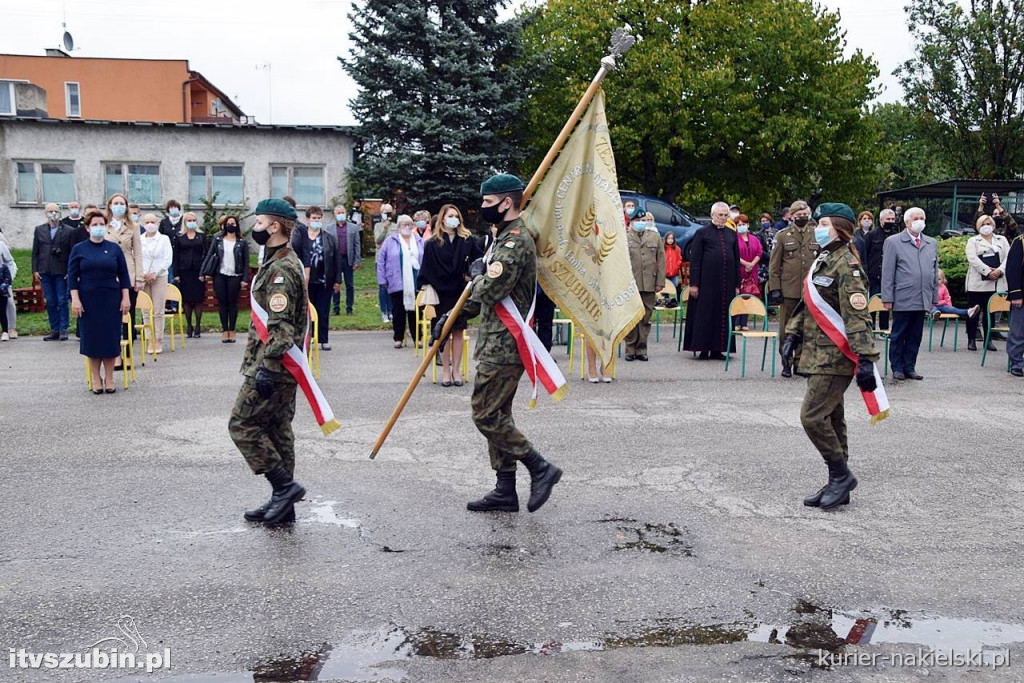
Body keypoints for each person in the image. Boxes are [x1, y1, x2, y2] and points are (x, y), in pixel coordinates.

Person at [431, 173, 562, 514]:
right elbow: (480, 298)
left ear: (506, 203)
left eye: (488, 202)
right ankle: (505, 489)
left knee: (485, 414)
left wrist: (476, 275)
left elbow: (489, 289)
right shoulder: (502, 238)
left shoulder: (515, 241)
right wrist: (452, 318)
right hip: (494, 340)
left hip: (507, 343)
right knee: (498, 413)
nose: (481, 208)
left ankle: (540, 467)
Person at [781, 203, 879, 510]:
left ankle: (841, 475)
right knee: (833, 418)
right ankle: (838, 483)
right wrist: (793, 334)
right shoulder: (824, 260)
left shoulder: (847, 265)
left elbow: (858, 316)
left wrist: (865, 358)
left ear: (839, 227)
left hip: (835, 356)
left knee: (811, 416)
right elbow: (807, 306)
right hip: (816, 352)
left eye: (822, 223)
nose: (816, 227)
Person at [229, 198, 308, 527]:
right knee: (277, 430)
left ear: (274, 227)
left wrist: (266, 367)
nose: (255, 228)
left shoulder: (281, 269)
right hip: (281, 366)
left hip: (273, 366)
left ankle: (284, 488)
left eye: (260, 223)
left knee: (242, 425)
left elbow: (281, 328)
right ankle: (283, 505)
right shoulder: (278, 259)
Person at [68, 210, 132, 394]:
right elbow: (72, 276)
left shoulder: (114, 248)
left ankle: (110, 378)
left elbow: (123, 275)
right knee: (92, 340)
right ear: (87, 228)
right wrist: (75, 300)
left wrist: (125, 297)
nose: (98, 228)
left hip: (111, 298)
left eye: (101, 225)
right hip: (88, 299)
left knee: (110, 340)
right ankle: (96, 378)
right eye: (94, 225)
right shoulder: (79, 249)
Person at [418, 205, 481, 385]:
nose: (454, 219)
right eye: (450, 216)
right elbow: (426, 269)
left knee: (458, 331)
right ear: (442, 219)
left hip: (460, 291)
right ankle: (445, 371)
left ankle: (456, 372)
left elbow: (479, 260)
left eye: (457, 216)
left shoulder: (467, 240)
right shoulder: (432, 243)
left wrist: (471, 274)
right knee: (443, 333)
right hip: (440, 292)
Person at [881, 206, 939, 381]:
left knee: (915, 335)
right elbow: (888, 272)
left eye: (922, 217)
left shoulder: (931, 243)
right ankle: (897, 367)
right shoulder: (893, 241)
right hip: (903, 296)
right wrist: (887, 297)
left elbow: (934, 272)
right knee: (899, 334)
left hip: (923, 296)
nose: (919, 221)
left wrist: (934, 297)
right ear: (907, 222)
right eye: (915, 218)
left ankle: (910, 366)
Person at [768, 200, 819, 376]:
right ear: (791, 216)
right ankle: (786, 361)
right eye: (799, 215)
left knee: (807, 328)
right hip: (788, 289)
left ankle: (801, 363)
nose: (802, 218)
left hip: (809, 290)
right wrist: (775, 288)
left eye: (805, 215)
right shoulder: (782, 236)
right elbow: (774, 265)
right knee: (787, 328)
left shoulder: (816, 234)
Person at [683, 202, 740, 360]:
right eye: (720, 215)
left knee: (723, 315)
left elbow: (736, 260)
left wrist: (737, 284)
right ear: (712, 215)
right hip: (706, 283)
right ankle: (703, 348)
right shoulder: (702, 233)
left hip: (727, 283)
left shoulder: (731, 233)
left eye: (725, 215)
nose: (722, 218)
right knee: (705, 314)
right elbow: (695, 260)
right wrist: (694, 284)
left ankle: (719, 349)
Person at [292, 206, 342, 351]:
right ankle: (309, 337)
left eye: (319, 218)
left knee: (323, 310)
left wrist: (337, 280)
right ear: (307, 220)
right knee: (306, 310)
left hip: (324, 280)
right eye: (314, 218)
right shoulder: (301, 237)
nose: (316, 220)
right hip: (306, 281)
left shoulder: (328, 238)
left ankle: (323, 338)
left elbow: (336, 260)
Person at [104, 193, 143, 361]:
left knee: (128, 314)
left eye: (122, 203)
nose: (119, 206)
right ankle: (114, 353)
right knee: (111, 315)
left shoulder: (133, 226)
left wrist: (139, 277)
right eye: (115, 203)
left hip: (129, 272)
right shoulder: (103, 225)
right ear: (110, 205)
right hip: (108, 273)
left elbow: (138, 253)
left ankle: (127, 354)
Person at [965, 214, 1010, 351]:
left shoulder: (1001, 240)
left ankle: (988, 340)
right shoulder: (973, 240)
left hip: (996, 282)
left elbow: (1008, 257)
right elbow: (972, 258)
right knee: (974, 313)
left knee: (990, 313)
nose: (986, 226)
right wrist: (987, 271)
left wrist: (999, 271)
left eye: (989, 223)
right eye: (983, 224)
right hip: (978, 283)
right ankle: (971, 339)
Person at [624, 212, 666, 361]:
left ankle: (642, 348)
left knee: (645, 317)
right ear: (632, 221)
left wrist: (660, 281)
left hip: (649, 282)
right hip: (631, 284)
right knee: (631, 318)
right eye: (638, 220)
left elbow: (661, 259)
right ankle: (630, 348)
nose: (642, 222)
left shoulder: (654, 236)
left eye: (644, 220)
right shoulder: (625, 237)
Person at [377, 214, 423, 348]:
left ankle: (417, 338)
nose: (407, 227)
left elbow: (426, 260)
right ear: (398, 227)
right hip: (396, 281)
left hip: (416, 281)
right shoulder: (390, 241)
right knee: (398, 311)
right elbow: (381, 261)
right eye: (404, 224)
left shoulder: (419, 241)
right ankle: (398, 338)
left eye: (409, 224)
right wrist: (382, 279)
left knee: (416, 311)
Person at [202, 214, 249, 343]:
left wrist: (244, 279)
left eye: (233, 223)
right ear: (224, 225)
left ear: (237, 226)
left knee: (232, 304)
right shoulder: (217, 239)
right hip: (220, 275)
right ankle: (224, 330)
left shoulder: (242, 242)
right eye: (229, 223)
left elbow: (246, 262)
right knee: (222, 303)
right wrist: (203, 272)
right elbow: (209, 255)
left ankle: (232, 330)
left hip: (235, 276)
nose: (231, 226)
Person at [32, 203, 73, 341]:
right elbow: (35, 252)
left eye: (55, 211)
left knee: (62, 300)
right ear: (45, 213)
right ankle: (54, 328)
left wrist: (70, 270)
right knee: (50, 301)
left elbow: (72, 253)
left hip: (61, 270)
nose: (53, 213)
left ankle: (63, 328)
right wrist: (35, 269)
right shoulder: (39, 230)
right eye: (50, 211)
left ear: (60, 212)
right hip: (45, 269)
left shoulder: (68, 230)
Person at [139, 213, 173, 354]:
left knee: (158, 310)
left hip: (159, 276)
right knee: (146, 311)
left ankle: (158, 339)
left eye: (152, 221)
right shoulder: (140, 239)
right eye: (147, 222)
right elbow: (137, 257)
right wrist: (143, 274)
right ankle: (149, 339)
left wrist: (156, 273)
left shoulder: (164, 239)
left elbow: (167, 259)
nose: (150, 224)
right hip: (143, 277)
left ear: (157, 223)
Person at [172, 215, 207, 338]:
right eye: (189, 220)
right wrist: (176, 274)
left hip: (198, 271)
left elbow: (206, 254)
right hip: (184, 270)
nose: (191, 222)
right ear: (184, 222)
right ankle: (189, 326)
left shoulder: (201, 236)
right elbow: (175, 256)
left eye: (194, 220)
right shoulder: (179, 236)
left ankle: (198, 326)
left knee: (198, 299)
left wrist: (204, 272)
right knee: (186, 300)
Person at [863, 208, 896, 331]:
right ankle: (870, 328)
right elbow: (864, 254)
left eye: (892, 219)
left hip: (889, 276)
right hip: (873, 275)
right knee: (872, 302)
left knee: (886, 303)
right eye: (888, 219)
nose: (890, 221)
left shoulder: (896, 236)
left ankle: (884, 329)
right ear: (881, 220)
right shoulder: (871, 236)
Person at [332, 204, 361, 316]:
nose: (341, 215)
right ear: (335, 215)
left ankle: (349, 307)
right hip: (335, 260)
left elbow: (357, 245)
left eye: (342, 212)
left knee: (349, 285)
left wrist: (356, 261)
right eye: (338, 213)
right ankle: (336, 307)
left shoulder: (353, 228)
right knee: (336, 284)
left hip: (348, 259)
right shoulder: (330, 228)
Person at [736, 214, 764, 330]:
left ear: (748, 225)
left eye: (744, 224)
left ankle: (744, 323)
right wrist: (746, 264)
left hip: (752, 271)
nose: (742, 226)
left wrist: (752, 264)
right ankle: (736, 322)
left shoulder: (754, 239)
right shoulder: (734, 239)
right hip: (740, 270)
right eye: (739, 225)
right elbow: (734, 254)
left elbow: (759, 252)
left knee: (748, 294)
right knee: (738, 296)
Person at [374, 203, 396, 323]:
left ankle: (391, 311)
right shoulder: (378, 226)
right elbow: (377, 242)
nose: (386, 214)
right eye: (384, 212)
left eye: (389, 212)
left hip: (392, 260)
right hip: (380, 260)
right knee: (383, 286)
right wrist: (384, 228)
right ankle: (384, 312)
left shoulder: (396, 226)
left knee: (392, 286)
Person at [1006, 231, 1024, 376]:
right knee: (1018, 331)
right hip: (1022, 296)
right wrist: (1016, 294)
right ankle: (1017, 362)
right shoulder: (1020, 241)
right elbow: (1012, 269)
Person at [0, 227, 18, 339]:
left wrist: (9, 279)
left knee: (9, 303)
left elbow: (10, 262)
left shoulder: (1, 244)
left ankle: (11, 329)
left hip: (2, 279)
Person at [0, 248, 11, 341]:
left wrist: (4, 285)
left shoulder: (4, 268)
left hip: (2, 293)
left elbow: (8, 279)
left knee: (2, 312)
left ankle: (5, 331)